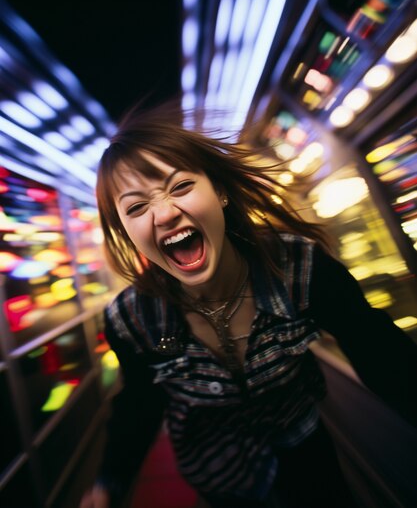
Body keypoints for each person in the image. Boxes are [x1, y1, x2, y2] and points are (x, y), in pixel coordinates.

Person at [80, 105, 417, 508]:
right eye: (136, 208)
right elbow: (139, 402)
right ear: (127, 233)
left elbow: (379, 351)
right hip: (219, 477)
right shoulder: (132, 321)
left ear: (219, 192)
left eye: (181, 186)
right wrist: (109, 482)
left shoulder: (299, 269)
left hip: (306, 451)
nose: (166, 213)